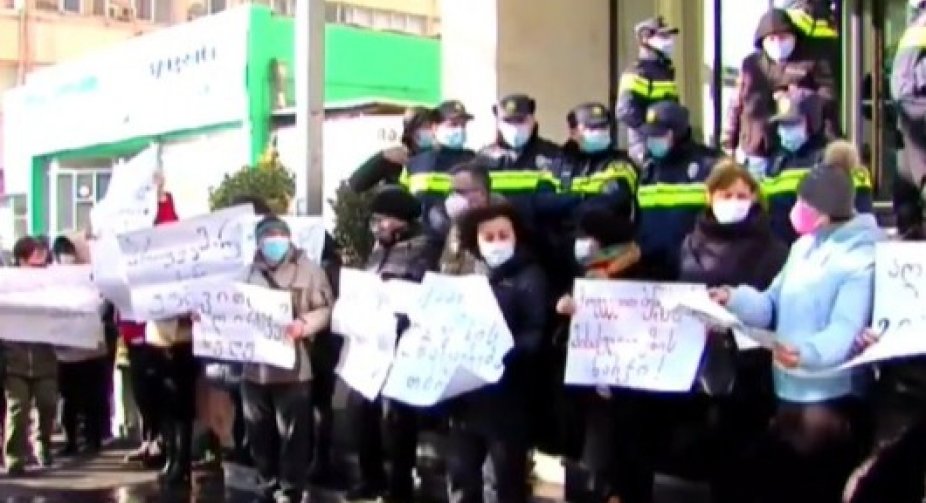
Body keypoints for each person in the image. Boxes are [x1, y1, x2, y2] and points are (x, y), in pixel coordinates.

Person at [711, 141, 883, 503]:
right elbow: (770, 305)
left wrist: (805, 353)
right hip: (789, 391)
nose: (797, 208)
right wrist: (734, 298)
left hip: (830, 400)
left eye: (805, 202)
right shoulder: (803, 247)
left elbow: (845, 328)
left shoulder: (860, 257)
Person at [677, 160, 788, 503]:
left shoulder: (772, 247)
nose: (735, 202)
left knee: (745, 462)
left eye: (742, 195)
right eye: (726, 195)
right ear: (710, 197)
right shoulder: (691, 242)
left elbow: (776, 305)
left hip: (751, 371)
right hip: (699, 366)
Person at [346, 185, 440, 502]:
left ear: (401, 220)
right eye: (375, 220)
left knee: (398, 420)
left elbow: (422, 295)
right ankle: (370, 478)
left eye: (382, 220)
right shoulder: (378, 248)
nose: (377, 226)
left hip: (404, 345)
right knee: (360, 410)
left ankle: (400, 487)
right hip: (371, 344)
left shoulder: (424, 249)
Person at [450, 202, 548, 503]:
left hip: (508, 397)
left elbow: (537, 332)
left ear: (516, 235)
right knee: (462, 475)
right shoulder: (468, 275)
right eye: (488, 237)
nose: (496, 243)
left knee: (505, 480)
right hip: (466, 396)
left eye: (503, 235)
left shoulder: (530, 276)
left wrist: (504, 350)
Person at [237, 215, 333, 503]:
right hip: (254, 369)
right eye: (268, 237)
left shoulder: (310, 270)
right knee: (258, 431)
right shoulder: (246, 273)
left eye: (279, 235)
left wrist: (304, 325)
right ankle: (267, 483)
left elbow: (325, 309)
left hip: (293, 368)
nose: (274, 242)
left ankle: (290, 489)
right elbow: (229, 309)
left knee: (294, 434)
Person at [555, 206, 648, 503]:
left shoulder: (643, 273)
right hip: (591, 396)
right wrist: (565, 314)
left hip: (633, 397)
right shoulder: (584, 275)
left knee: (630, 470)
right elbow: (563, 340)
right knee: (592, 470)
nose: (581, 243)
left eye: (587, 236)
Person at [722, 8, 837, 171]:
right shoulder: (751, 65)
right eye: (771, 39)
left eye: (783, 37)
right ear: (762, 41)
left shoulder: (812, 62)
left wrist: (798, 97)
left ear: (794, 37)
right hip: (756, 149)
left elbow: (828, 99)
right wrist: (728, 144)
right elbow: (736, 104)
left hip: (801, 149)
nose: (777, 43)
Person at [762, 89, 872, 243]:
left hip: (828, 249)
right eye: (782, 125)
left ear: (812, 122)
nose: (784, 131)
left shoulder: (836, 160)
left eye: (793, 124)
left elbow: (860, 215)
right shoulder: (777, 162)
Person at [144, 184, 198, 488]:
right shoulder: (145, 257)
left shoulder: (191, 259)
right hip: (157, 337)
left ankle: (182, 461)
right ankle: (171, 456)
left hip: (183, 339)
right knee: (162, 402)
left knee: (181, 405)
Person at [636, 101, 721, 281]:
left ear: (678, 133)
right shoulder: (648, 169)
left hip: (697, 271)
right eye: (650, 135)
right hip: (652, 272)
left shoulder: (709, 165)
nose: (652, 141)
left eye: (659, 134)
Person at [3, 236, 58, 474]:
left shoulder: (51, 284)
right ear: (22, 259)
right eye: (35, 255)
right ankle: (14, 456)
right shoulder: (7, 285)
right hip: (15, 359)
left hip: (44, 358)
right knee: (18, 408)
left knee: (47, 403)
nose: (41, 260)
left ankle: (42, 443)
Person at [52, 236, 109, 457]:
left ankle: (93, 439)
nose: (67, 257)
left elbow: (105, 304)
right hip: (66, 352)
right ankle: (71, 440)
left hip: (92, 348)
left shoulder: (92, 274)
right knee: (69, 399)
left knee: (93, 397)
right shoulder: (52, 278)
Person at [398, 100, 478, 240]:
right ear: (435, 128)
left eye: (463, 125)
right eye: (453, 124)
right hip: (421, 240)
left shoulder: (475, 161)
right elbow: (402, 204)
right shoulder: (415, 163)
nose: (460, 130)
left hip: (461, 239)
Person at [476, 94, 561, 223]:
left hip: (542, 229)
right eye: (508, 121)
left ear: (532, 120)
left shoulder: (553, 154)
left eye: (520, 120)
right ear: (498, 123)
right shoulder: (484, 157)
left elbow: (562, 199)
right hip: (498, 227)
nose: (514, 127)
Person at [616, 16, 680, 166]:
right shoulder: (636, 72)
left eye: (669, 36)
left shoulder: (665, 72)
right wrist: (654, 132)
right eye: (663, 36)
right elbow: (625, 111)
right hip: (645, 149)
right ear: (645, 39)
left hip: (668, 147)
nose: (669, 41)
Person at [891, 1, 926, 239]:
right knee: (906, 174)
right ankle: (909, 225)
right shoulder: (916, 22)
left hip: (916, 102)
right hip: (908, 104)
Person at [349, 106, 440, 192]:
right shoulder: (395, 158)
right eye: (426, 127)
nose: (432, 132)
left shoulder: (442, 157)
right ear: (411, 131)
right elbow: (356, 184)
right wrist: (381, 157)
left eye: (434, 127)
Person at [440, 160, 502, 276]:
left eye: (459, 192)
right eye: (451, 192)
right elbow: (448, 265)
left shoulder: (503, 226)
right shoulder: (459, 223)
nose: (453, 197)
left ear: (482, 194)